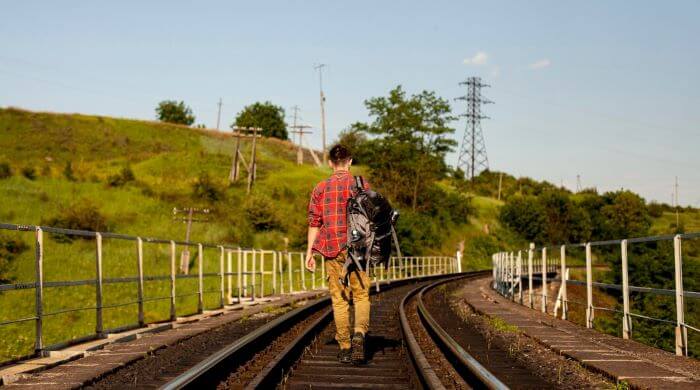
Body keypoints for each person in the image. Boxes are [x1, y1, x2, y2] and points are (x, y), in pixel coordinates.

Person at [305, 144, 370, 365]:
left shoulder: (320, 188)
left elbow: (314, 222)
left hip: (332, 249)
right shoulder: (360, 185)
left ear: (330, 163)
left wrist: (310, 253)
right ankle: (360, 333)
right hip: (359, 250)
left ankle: (344, 346)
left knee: (340, 299)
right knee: (361, 295)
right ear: (350, 161)